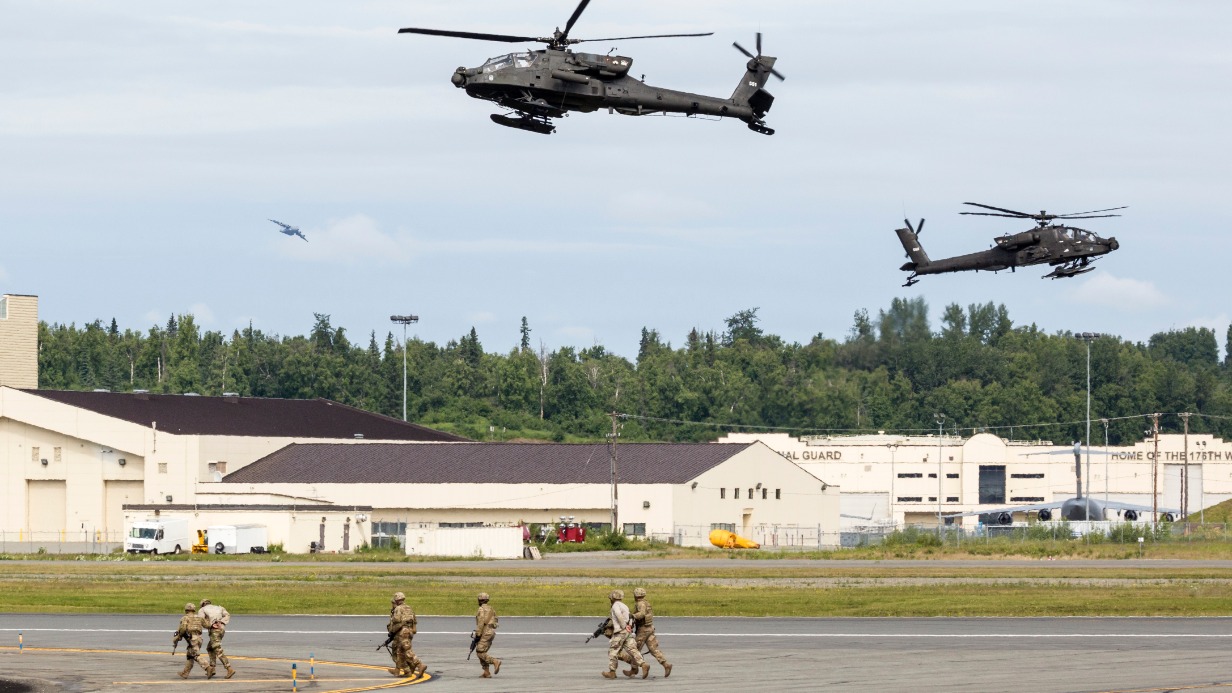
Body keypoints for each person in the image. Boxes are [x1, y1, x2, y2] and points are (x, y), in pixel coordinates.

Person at [602, 589, 647, 679]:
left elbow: (619, 616)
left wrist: (623, 626)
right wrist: (628, 627)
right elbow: (630, 617)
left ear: (613, 597)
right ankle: (643, 664)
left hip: (620, 632)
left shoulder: (615, 606)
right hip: (627, 631)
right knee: (633, 650)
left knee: (613, 651)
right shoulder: (624, 606)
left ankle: (612, 672)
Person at [628, 587, 671, 677]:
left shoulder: (640, 604)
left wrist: (632, 616)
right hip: (650, 628)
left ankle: (634, 669)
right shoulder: (646, 603)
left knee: (635, 649)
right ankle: (666, 664)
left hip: (643, 629)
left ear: (636, 595)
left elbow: (641, 614)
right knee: (653, 649)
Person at [387, 591, 427, 679]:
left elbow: (397, 620)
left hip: (402, 631)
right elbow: (414, 620)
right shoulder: (409, 608)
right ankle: (406, 671)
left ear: (396, 600)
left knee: (406, 650)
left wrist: (392, 630)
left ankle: (419, 665)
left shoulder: (398, 608)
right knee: (400, 652)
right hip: (409, 631)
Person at [172, 602, 213, 679]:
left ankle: (208, 668)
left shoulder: (185, 618)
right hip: (199, 638)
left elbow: (183, 629)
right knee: (190, 656)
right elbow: (208, 625)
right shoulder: (199, 618)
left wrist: (179, 636)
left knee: (195, 655)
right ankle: (185, 673)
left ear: (186, 610)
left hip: (191, 639)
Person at [198, 598, 235, 679]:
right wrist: (221, 622)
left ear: (202, 604)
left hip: (214, 631)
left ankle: (229, 668)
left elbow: (201, 620)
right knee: (210, 648)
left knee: (217, 649)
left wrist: (210, 625)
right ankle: (212, 668)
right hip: (222, 629)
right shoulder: (219, 607)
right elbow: (227, 615)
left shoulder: (202, 610)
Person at [473, 592, 502, 678]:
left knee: (480, 652)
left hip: (485, 632)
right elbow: (496, 620)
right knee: (482, 652)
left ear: (479, 600)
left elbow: (481, 622)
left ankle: (495, 661)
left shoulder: (481, 609)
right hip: (491, 632)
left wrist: (478, 634)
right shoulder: (491, 609)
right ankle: (486, 672)